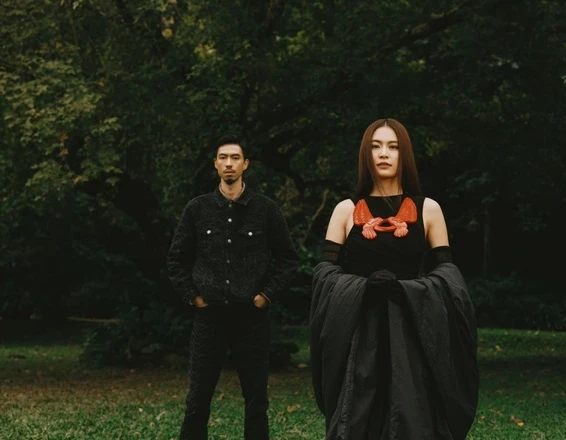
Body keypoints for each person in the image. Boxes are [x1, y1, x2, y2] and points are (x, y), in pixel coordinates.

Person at [310, 118, 479, 439]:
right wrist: (361, 287)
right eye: (375, 146)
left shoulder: (428, 210)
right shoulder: (346, 210)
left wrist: (408, 290)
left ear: (405, 155)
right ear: (366, 154)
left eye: (393, 146)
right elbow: (324, 274)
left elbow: (448, 276)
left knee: (413, 415)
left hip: (412, 333)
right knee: (358, 418)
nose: (384, 154)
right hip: (360, 337)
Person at [167, 135, 299, 440]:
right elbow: (175, 259)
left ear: (245, 164)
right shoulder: (197, 209)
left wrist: (266, 295)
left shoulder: (265, 209)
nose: (229, 163)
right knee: (197, 397)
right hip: (209, 318)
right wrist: (192, 296)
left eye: (235, 158)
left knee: (256, 398)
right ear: (215, 164)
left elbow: (288, 259)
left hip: (251, 318)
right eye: (223, 157)